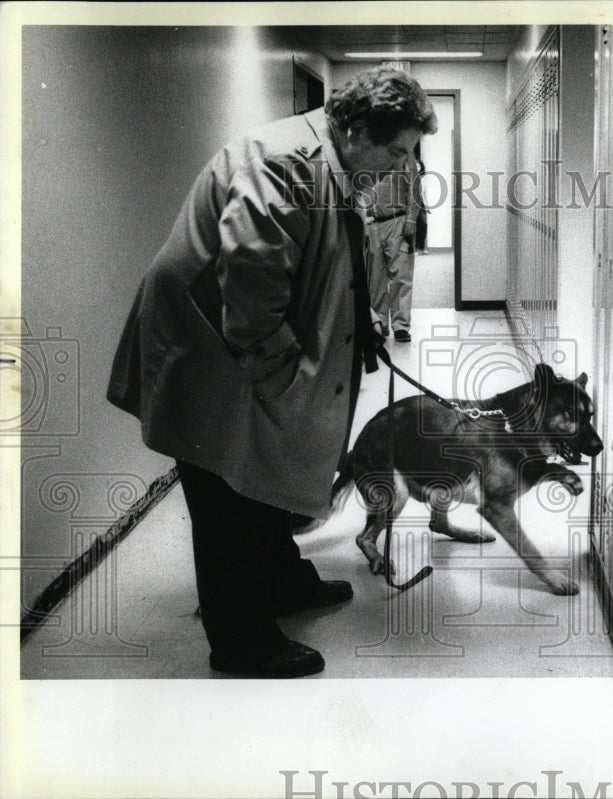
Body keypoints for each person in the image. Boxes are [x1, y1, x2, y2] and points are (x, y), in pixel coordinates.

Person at [106, 67, 437, 678]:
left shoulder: (329, 161)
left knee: (263, 472)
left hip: (232, 346)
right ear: (357, 128)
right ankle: (242, 642)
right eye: (395, 151)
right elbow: (252, 291)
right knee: (227, 489)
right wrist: (290, 380)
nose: (400, 168)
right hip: (208, 349)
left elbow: (323, 261)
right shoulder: (287, 163)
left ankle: (282, 582)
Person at [364, 145, 423, 342]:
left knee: (401, 275)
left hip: (397, 220)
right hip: (371, 223)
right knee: (375, 278)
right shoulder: (365, 150)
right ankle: (379, 324)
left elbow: (415, 186)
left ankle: (400, 325)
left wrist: (412, 218)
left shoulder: (404, 152)